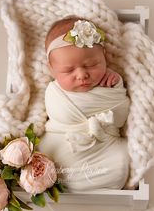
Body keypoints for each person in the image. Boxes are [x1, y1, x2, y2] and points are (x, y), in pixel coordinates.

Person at [37, 16, 131, 191]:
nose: (81, 75)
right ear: (52, 70)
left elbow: (120, 117)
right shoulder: (55, 92)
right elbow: (58, 114)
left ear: (104, 58)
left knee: (124, 158)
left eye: (91, 65)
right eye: (68, 70)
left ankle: (69, 184)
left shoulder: (111, 85)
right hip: (60, 143)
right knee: (41, 157)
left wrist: (116, 86)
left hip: (103, 148)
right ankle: (55, 181)